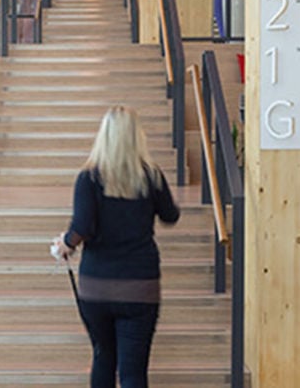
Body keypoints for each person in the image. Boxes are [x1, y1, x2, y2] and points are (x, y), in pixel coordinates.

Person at [51, 106, 180, 388]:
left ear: (104, 136)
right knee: (134, 371)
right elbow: (171, 216)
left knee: (103, 357)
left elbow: (82, 227)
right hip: (140, 285)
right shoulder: (152, 176)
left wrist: (65, 244)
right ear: (138, 137)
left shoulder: (89, 178)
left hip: (97, 285)